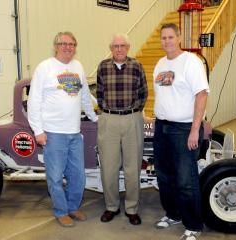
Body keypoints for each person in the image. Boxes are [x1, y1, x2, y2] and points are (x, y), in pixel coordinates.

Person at [27, 31, 98, 227]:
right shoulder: (45, 67)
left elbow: (84, 96)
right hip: (53, 133)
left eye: (72, 44)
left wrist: (94, 117)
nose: (68, 47)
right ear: (56, 46)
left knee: (78, 176)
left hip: (74, 133)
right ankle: (60, 211)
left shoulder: (78, 66)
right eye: (64, 43)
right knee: (56, 176)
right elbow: (34, 101)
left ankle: (73, 207)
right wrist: (38, 131)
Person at [153, 23, 209, 240]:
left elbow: (202, 95)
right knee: (164, 176)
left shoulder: (191, 62)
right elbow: (164, 96)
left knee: (186, 180)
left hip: (184, 128)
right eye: (163, 38)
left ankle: (194, 225)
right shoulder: (160, 63)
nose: (166, 41)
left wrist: (195, 129)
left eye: (170, 37)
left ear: (179, 38)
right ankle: (173, 214)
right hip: (162, 126)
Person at [96, 34, 148, 225]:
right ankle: (111, 207)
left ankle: (132, 208)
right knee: (108, 168)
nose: (119, 49)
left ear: (128, 47)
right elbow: (99, 93)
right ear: (111, 48)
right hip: (108, 119)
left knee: (132, 168)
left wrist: (134, 112)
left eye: (122, 46)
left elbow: (144, 93)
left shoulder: (136, 66)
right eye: (115, 46)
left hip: (132, 119)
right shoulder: (103, 66)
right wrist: (107, 111)